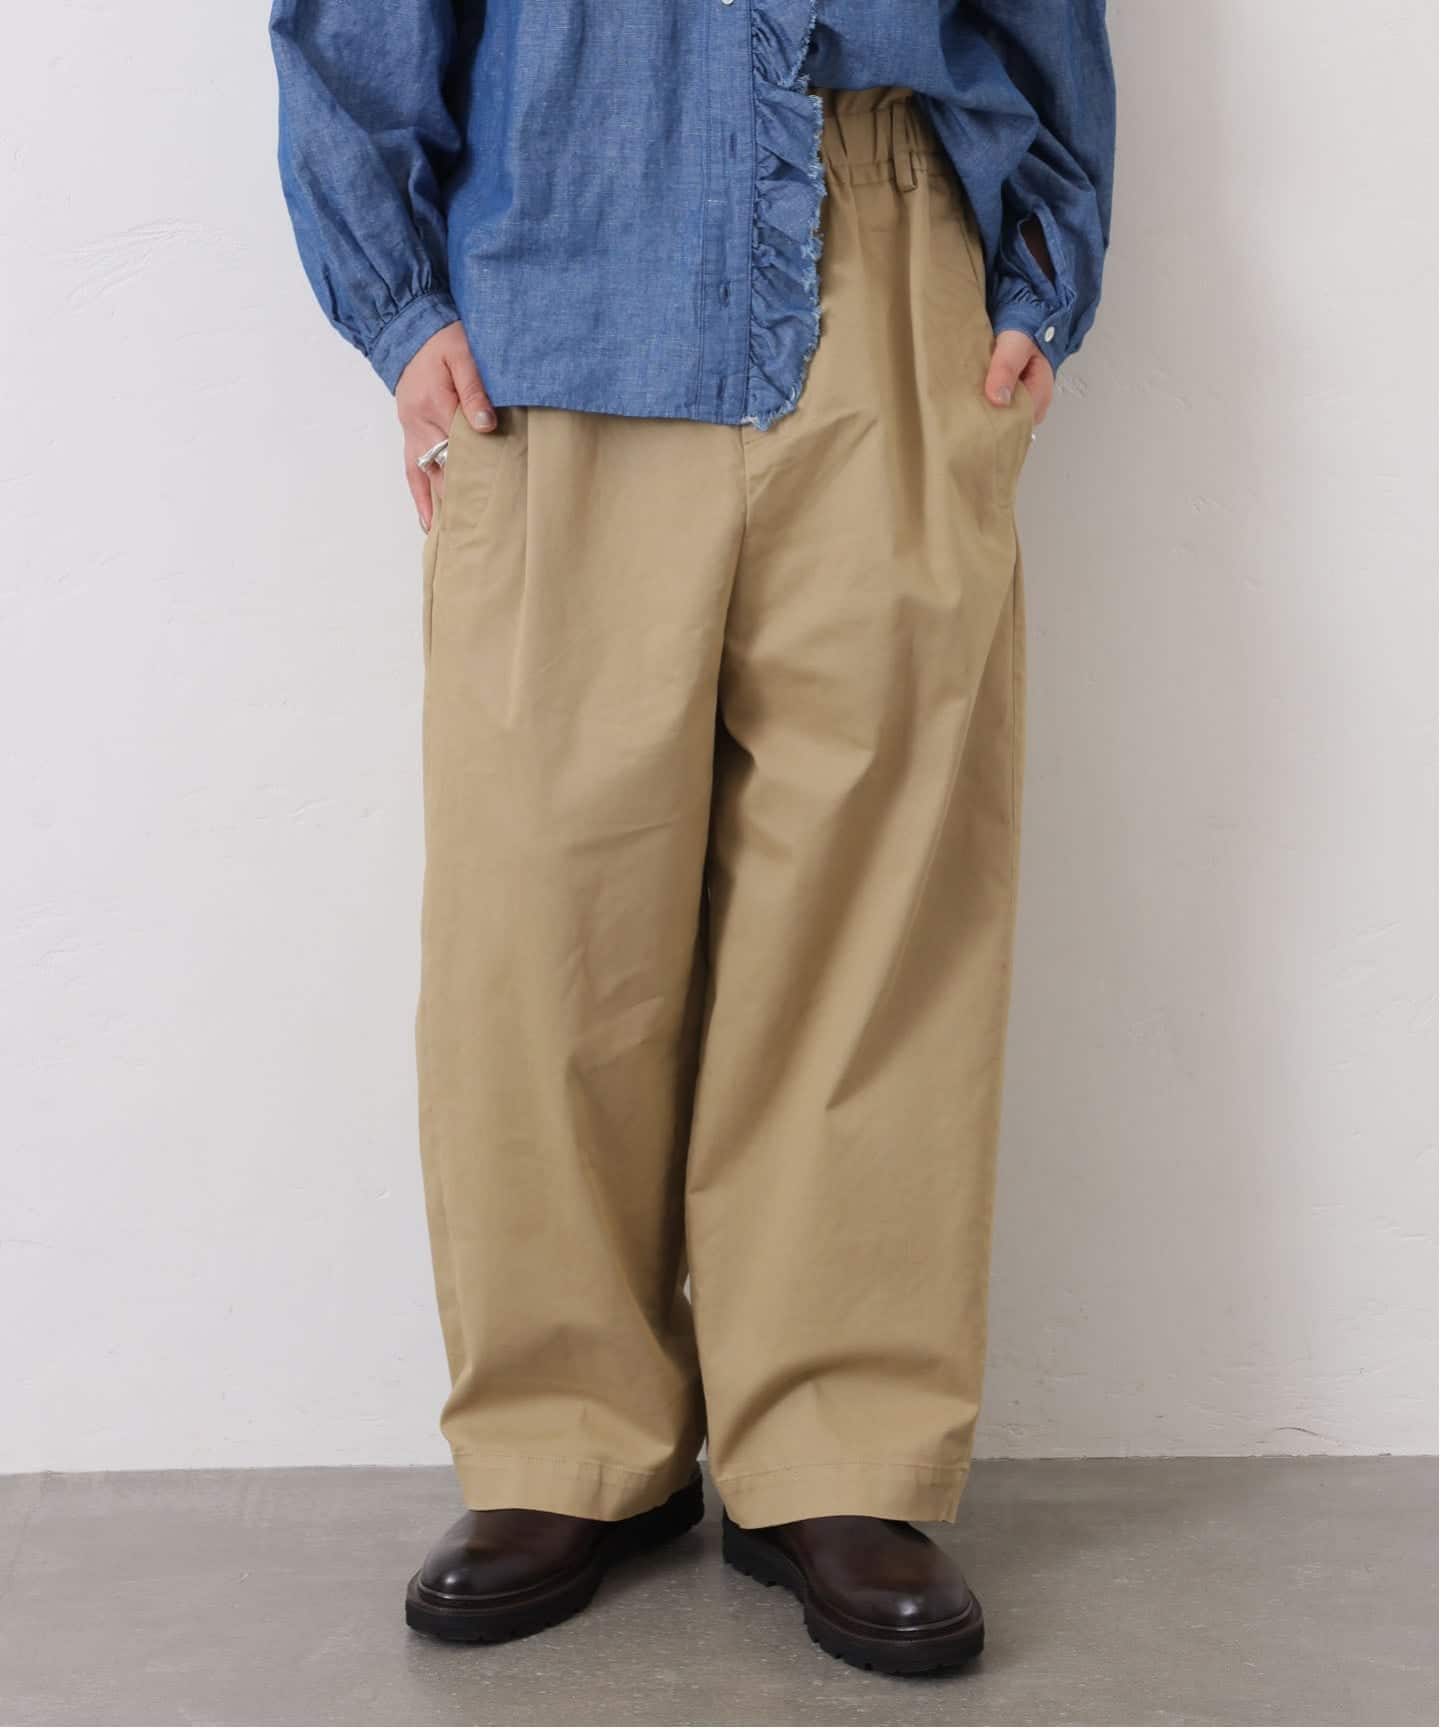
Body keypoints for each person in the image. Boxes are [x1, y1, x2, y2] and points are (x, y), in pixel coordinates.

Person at [270, 0, 1114, 1676]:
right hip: (560, 254)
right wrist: (397, 297)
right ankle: (564, 1438)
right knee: (544, 914)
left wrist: (1044, 259)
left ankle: (838, 1450)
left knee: (873, 910)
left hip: (892, 256)